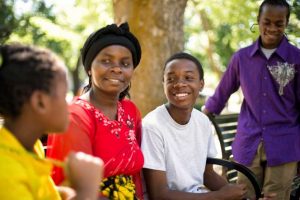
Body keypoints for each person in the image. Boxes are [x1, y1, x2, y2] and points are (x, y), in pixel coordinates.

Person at [203, 0, 300, 199]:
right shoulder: (241, 58)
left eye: (279, 23)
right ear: (258, 20)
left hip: (285, 144)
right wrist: (198, 119)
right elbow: (220, 94)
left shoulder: (296, 59)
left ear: (286, 23)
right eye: (267, 22)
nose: (272, 28)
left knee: (276, 196)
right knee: (245, 195)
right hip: (248, 144)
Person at [46, 22, 144, 200]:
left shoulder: (131, 111)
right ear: (89, 68)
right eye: (106, 61)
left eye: (125, 63)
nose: (116, 68)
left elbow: (136, 175)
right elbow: (77, 187)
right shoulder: (75, 116)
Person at [0, 43, 103, 200]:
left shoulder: (33, 146)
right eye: (63, 96)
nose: (69, 104)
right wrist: (86, 190)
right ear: (40, 102)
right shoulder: (5, 172)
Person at [141, 52, 250, 200]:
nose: (179, 84)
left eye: (188, 78)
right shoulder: (152, 126)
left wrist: (237, 194)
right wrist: (219, 196)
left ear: (201, 84)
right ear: (164, 84)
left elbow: (207, 174)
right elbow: (159, 194)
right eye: (171, 78)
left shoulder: (202, 121)